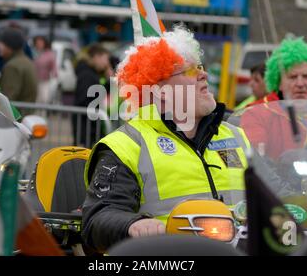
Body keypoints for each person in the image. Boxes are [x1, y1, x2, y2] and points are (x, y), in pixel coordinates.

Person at [81, 26, 250, 252]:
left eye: (200, 67)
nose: (204, 75)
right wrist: (134, 224)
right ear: (160, 90)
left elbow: (277, 193)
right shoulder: (127, 146)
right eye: (190, 71)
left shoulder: (236, 135)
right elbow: (97, 219)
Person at [239, 38, 307, 160]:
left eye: (306, 76)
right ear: (279, 83)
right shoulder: (256, 113)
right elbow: (255, 160)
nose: (300, 83)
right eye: (292, 77)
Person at [73, 43, 112, 146]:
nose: (106, 63)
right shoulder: (87, 75)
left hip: (90, 128)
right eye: (105, 59)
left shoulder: (92, 73)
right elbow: (85, 100)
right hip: (86, 130)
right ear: (96, 57)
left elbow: (97, 93)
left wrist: (109, 82)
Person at [0, 27, 38, 104]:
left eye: (1, 43)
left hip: (17, 114)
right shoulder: (27, 61)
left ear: (9, 45)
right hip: (25, 113)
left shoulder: (12, 66)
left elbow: (7, 99)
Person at [33, 35, 57, 104]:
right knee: (36, 99)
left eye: (40, 42)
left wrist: (54, 76)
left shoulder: (49, 54)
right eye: (37, 43)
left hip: (45, 81)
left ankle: (43, 113)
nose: (39, 44)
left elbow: (54, 67)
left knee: (44, 99)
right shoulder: (33, 52)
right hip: (35, 81)